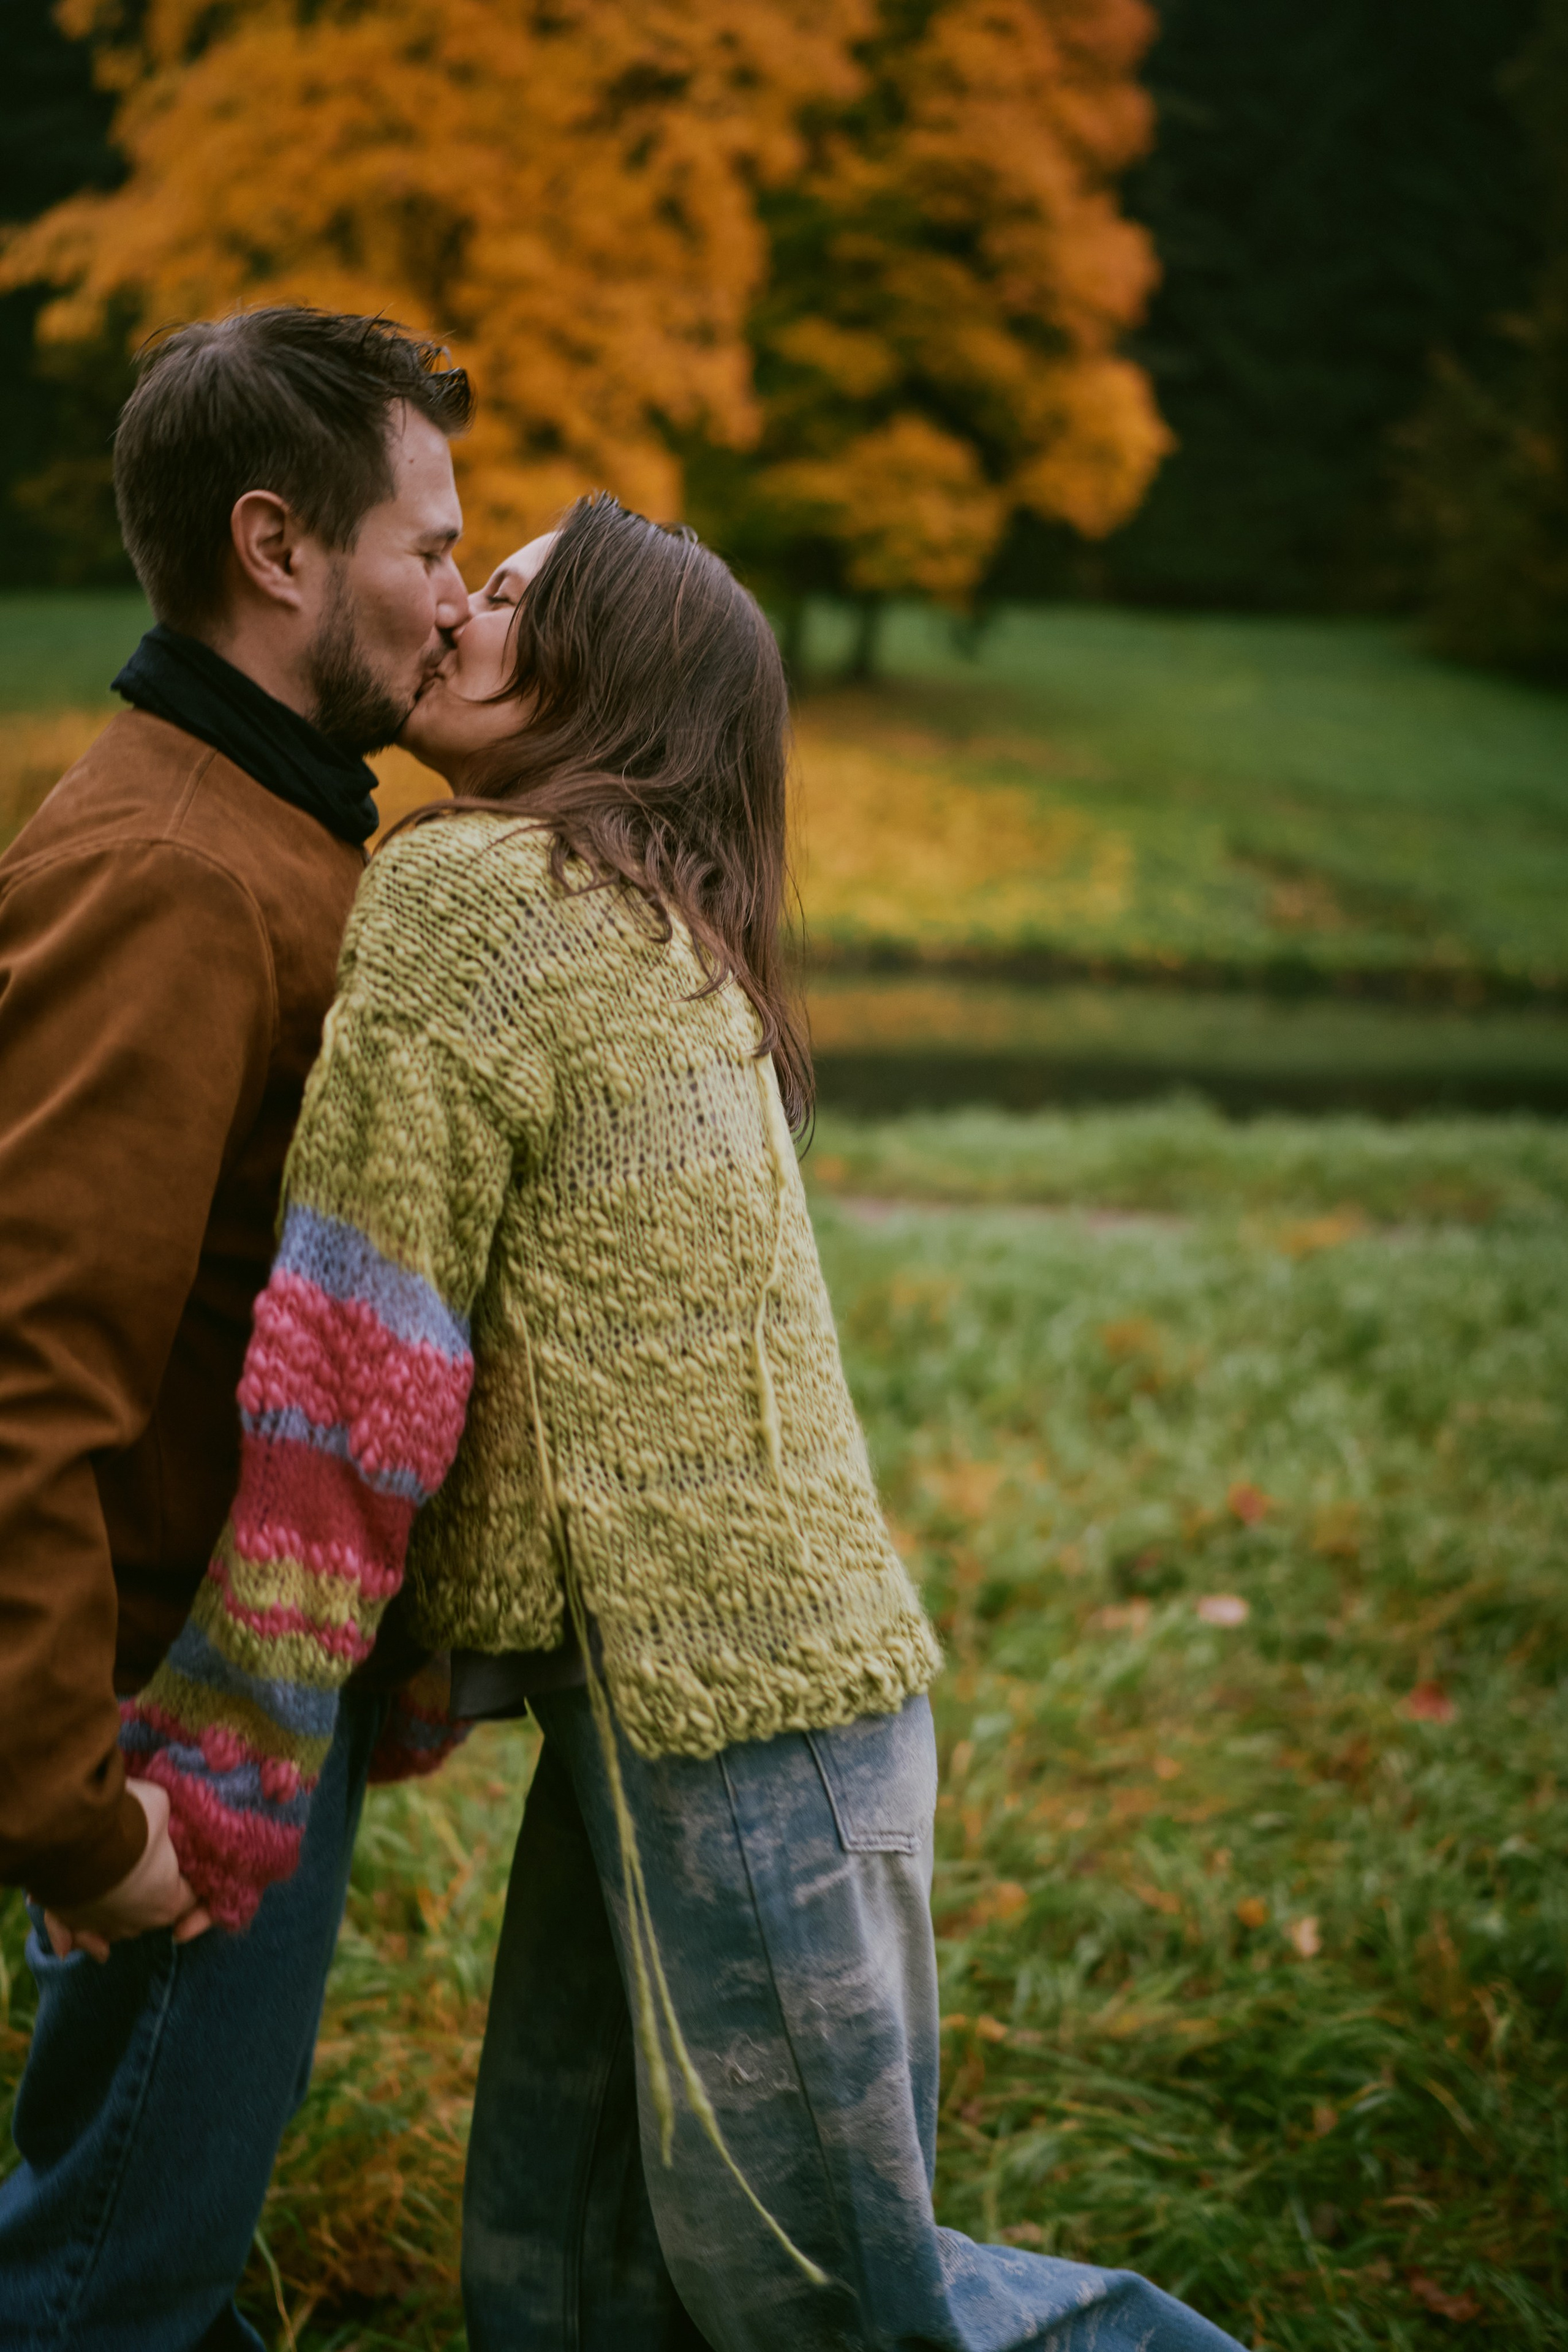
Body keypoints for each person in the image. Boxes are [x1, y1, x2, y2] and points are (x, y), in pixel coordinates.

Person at [119, 494, 1245, 2351]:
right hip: (711, 1715)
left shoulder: (478, 898)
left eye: (510, 597)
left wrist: (240, 1737)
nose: (459, 618)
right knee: (569, 2278)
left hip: (748, 1731)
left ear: (609, 675)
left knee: (853, 2308)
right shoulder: (650, 926)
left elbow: (357, 1360)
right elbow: (547, 1375)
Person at [0, 305, 472, 2348]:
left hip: (243, 1704)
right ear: (278, 549)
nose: (455, 601)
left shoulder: (270, 829)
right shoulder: (178, 868)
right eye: (428, 550)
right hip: (173, 1741)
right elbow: (29, 1368)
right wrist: (70, 1824)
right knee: (109, 2293)